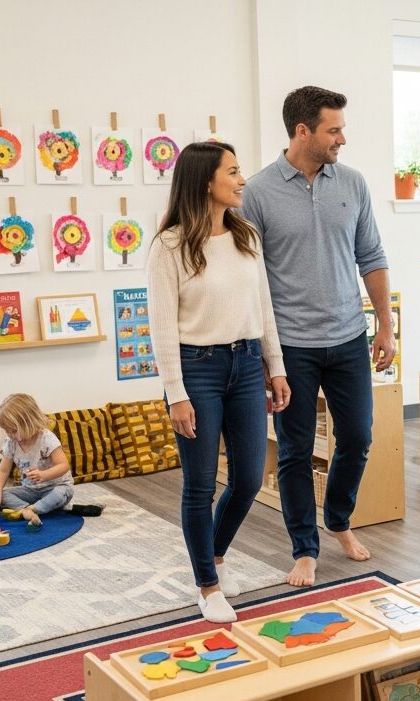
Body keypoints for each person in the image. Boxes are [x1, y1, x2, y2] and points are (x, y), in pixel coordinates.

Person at [242, 86, 393, 585]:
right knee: (294, 448)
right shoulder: (257, 193)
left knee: (358, 436)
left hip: (349, 337)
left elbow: (370, 257)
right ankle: (304, 547)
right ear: (302, 131)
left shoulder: (353, 183)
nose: (342, 139)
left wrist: (384, 327)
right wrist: (265, 353)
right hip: (291, 346)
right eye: (334, 129)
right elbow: (251, 278)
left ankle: (339, 520)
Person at [148, 141, 291, 623]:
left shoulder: (246, 234)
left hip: (248, 363)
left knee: (249, 478)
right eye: (233, 171)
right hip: (197, 370)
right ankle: (207, 585)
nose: (242, 178)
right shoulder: (169, 246)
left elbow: (264, 307)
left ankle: (215, 555)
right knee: (200, 485)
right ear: (206, 181)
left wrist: (276, 368)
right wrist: (176, 394)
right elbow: (162, 327)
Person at [0, 393, 73, 525]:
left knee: (63, 493)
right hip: (31, 490)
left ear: (28, 422)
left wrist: (44, 475)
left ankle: (33, 508)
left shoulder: (46, 439)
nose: (10, 434)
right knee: (3, 495)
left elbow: (63, 465)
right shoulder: (11, 442)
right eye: (7, 431)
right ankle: (28, 509)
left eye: (13, 430)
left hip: (55, 486)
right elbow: (3, 471)